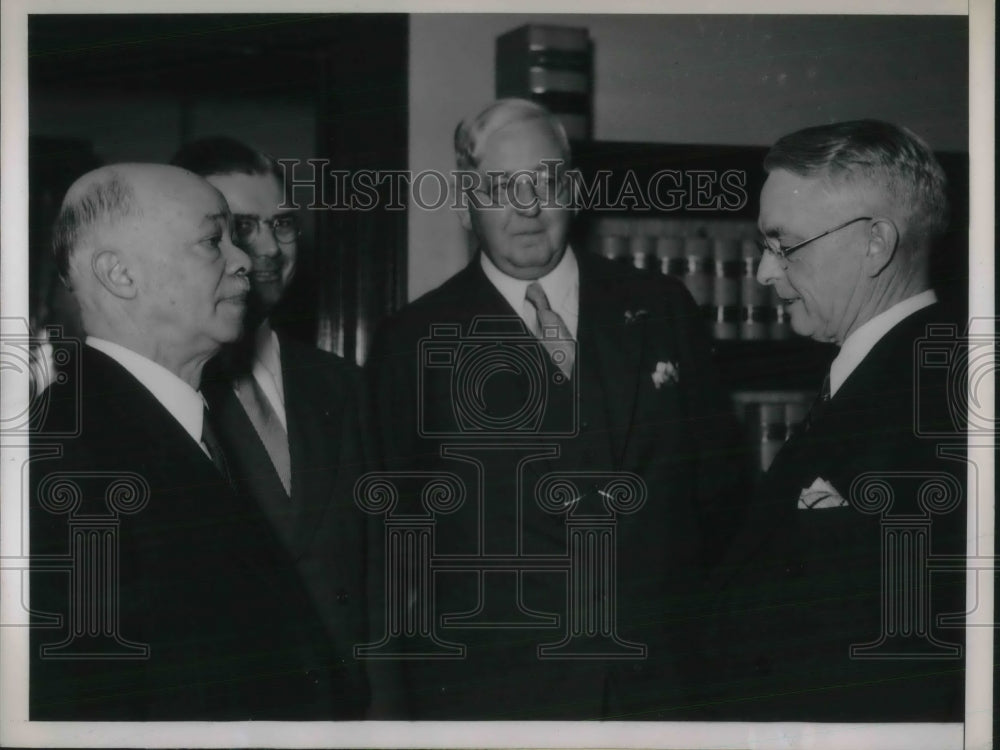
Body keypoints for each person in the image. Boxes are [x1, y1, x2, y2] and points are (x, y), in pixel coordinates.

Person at [362, 99, 747, 719]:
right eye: (499, 187)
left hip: (662, 688)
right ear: (464, 204)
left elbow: (724, 498)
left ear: (572, 190)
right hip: (497, 696)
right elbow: (393, 546)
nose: (527, 206)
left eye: (544, 181)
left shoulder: (662, 308)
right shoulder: (412, 340)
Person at [29, 163, 367, 719]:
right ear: (120, 275)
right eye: (214, 240)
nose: (244, 260)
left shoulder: (170, 425)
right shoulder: (69, 464)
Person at [701, 120, 967, 721]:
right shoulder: (900, 377)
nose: (766, 273)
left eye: (784, 244)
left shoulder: (934, 410)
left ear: (875, 243)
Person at [170, 138, 369, 711]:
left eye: (281, 224)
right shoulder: (164, 391)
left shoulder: (342, 386)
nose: (268, 248)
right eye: (240, 226)